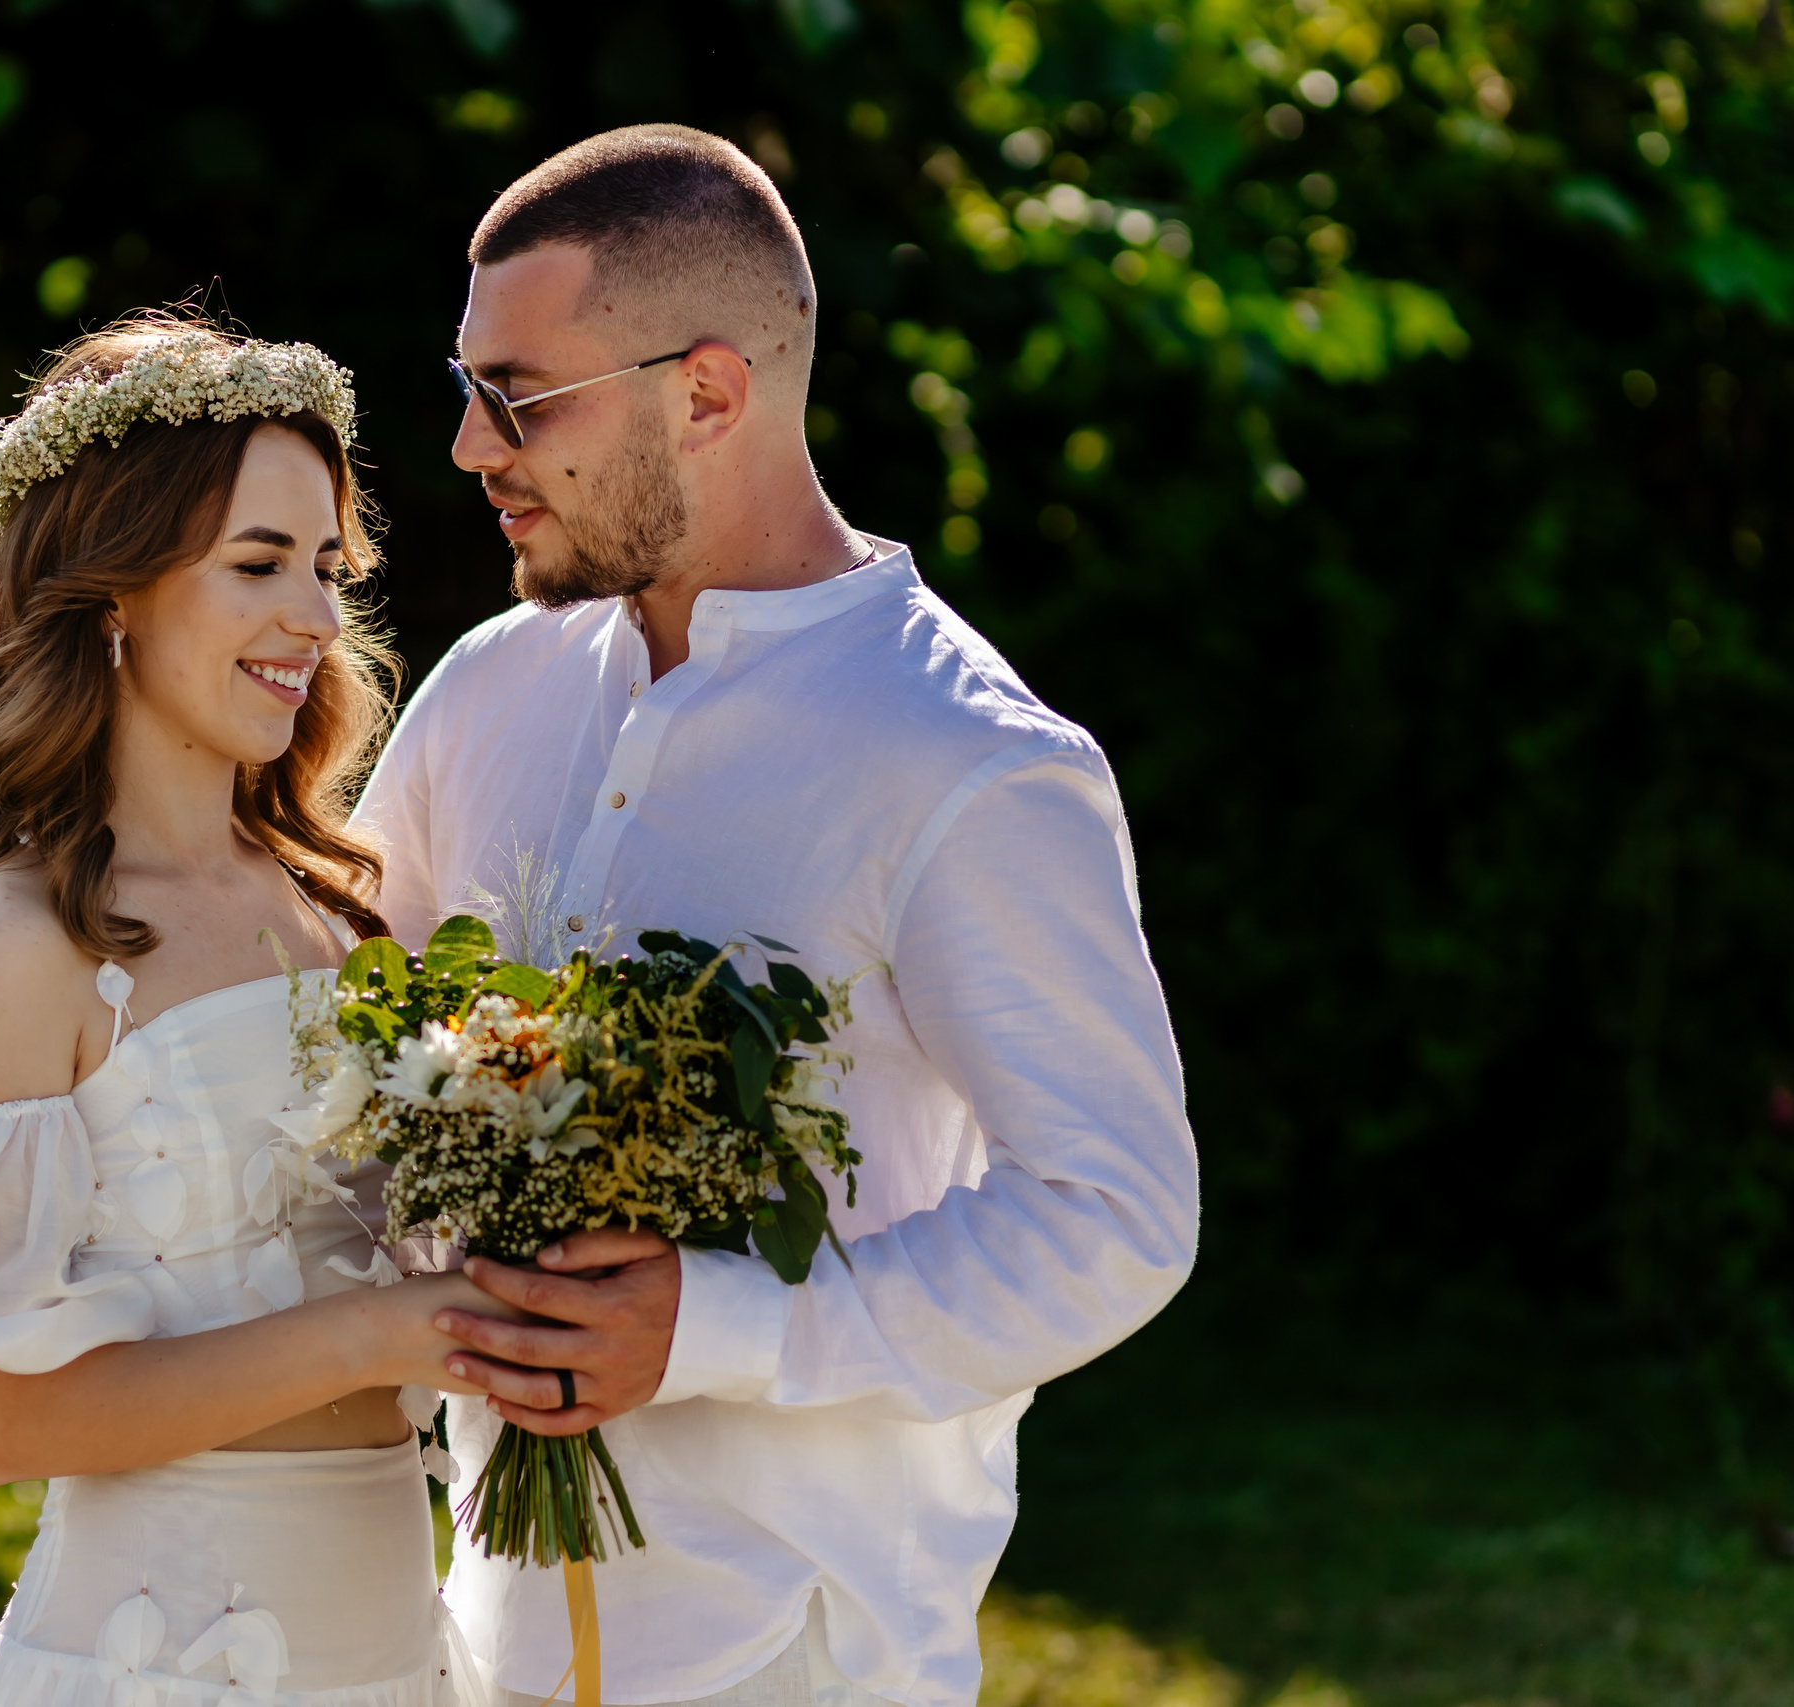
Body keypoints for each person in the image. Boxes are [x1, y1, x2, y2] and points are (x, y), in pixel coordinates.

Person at [355, 126, 1203, 1707]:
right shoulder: (486, 691)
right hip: (470, 1630)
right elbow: (337, 1058)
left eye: (519, 398)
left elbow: (1116, 1216)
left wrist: (719, 1328)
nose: (470, 447)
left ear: (706, 394)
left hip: (797, 1649)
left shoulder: (968, 761)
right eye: (467, 386)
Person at [0, 317, 493, 1707]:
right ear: (113, 592)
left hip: (394, 1656)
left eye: (326, 568)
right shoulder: (22, 939)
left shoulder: (344, 909)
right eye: (258, 565)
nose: (316, 618)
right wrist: (381, 1335)